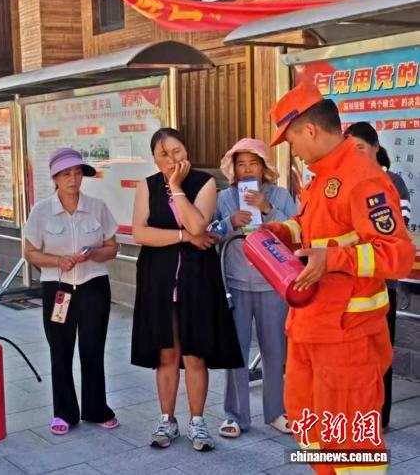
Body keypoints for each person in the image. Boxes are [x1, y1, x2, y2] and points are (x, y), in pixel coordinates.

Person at [267, 81, 415, 475]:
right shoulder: (321, 176)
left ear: (310, 130)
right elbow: (310, 228)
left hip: (348, 337)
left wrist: (333, 259)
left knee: (350, 444)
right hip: (310, 328)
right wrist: (282, 232)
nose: (292, 150)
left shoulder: (363, 178)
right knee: (311, 430)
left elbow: (398, 256)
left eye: (291, 141)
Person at [131, 128, 243, 451]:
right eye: (163, 154)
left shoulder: (203, 183)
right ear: (154, 159)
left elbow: (197, 224)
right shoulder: (147, 186)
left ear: (186, 149)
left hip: (197, 280)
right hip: (158, 280)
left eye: (176, 151)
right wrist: (183, 238)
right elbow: (140, 233)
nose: (171, 159)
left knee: (195, 354)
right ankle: (167, 420)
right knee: (167, 353)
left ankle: (197, 421)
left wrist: (177, 188)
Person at [23, 147, 120, 436]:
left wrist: (94, 253)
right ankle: (64, 412)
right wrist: (57, 261)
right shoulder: (41, 211)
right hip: (58, 288)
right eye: (66, 174)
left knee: (93, 348)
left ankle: (96, 408)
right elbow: (29, 252)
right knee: (60, 349)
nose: (73, 179)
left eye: (77, 173)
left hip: (94, 286)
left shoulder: (97, 207)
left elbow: (112, 247)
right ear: (55, 177)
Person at [213, 138, 297, 438]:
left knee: (275, 350)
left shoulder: (280, 195)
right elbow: (209, 233)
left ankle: (276, 412)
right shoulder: (224, 197)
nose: (247, 169)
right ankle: (235, 415)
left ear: (264, 168)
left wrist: (268, 209)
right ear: (233, 169)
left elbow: (298, 233)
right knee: (235, 350)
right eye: (241, 164)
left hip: (273, 283)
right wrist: (229, 222)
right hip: (236, 283)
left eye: (253, 163)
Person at [344, 121, 412, 431]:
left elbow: (396, 231)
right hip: (348, 287)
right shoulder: (343, 183)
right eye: (349, 149)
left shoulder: (392, 182)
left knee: (379, 355)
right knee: (351, 358)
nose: (354, 155)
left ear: (375, 148)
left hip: (382, 286)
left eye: (360, 147)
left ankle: (378, 418)